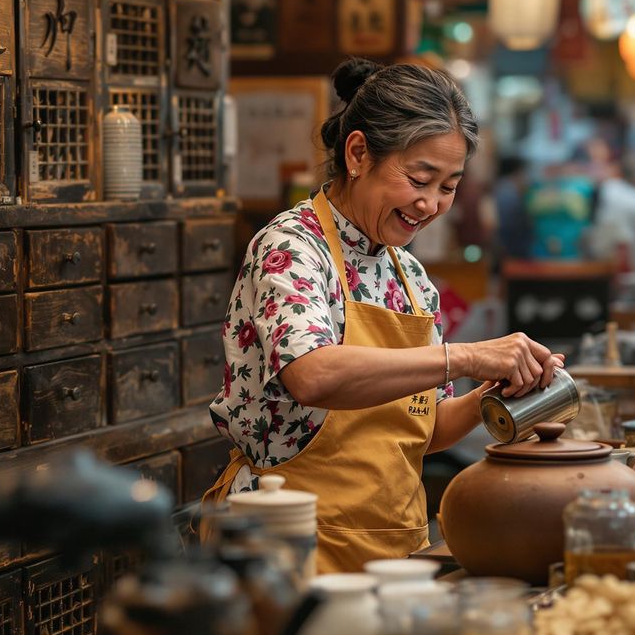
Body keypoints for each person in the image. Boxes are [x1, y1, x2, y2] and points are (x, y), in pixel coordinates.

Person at [203, 59, 564, 570]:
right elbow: (314, 374)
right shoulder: (291, 247)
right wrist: (465, 357)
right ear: (357, 153)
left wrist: (497, 389)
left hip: (395, 546)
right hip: (285, 545)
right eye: (420, 178)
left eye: (448, 186)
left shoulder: (411, 278)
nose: (431, 204)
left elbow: (428, 426)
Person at [490, 155, 534, 259]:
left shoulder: (499, 188)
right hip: (511, 250)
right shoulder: (508, 193)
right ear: (517, 172)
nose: (526, 178)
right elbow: (510, 226)